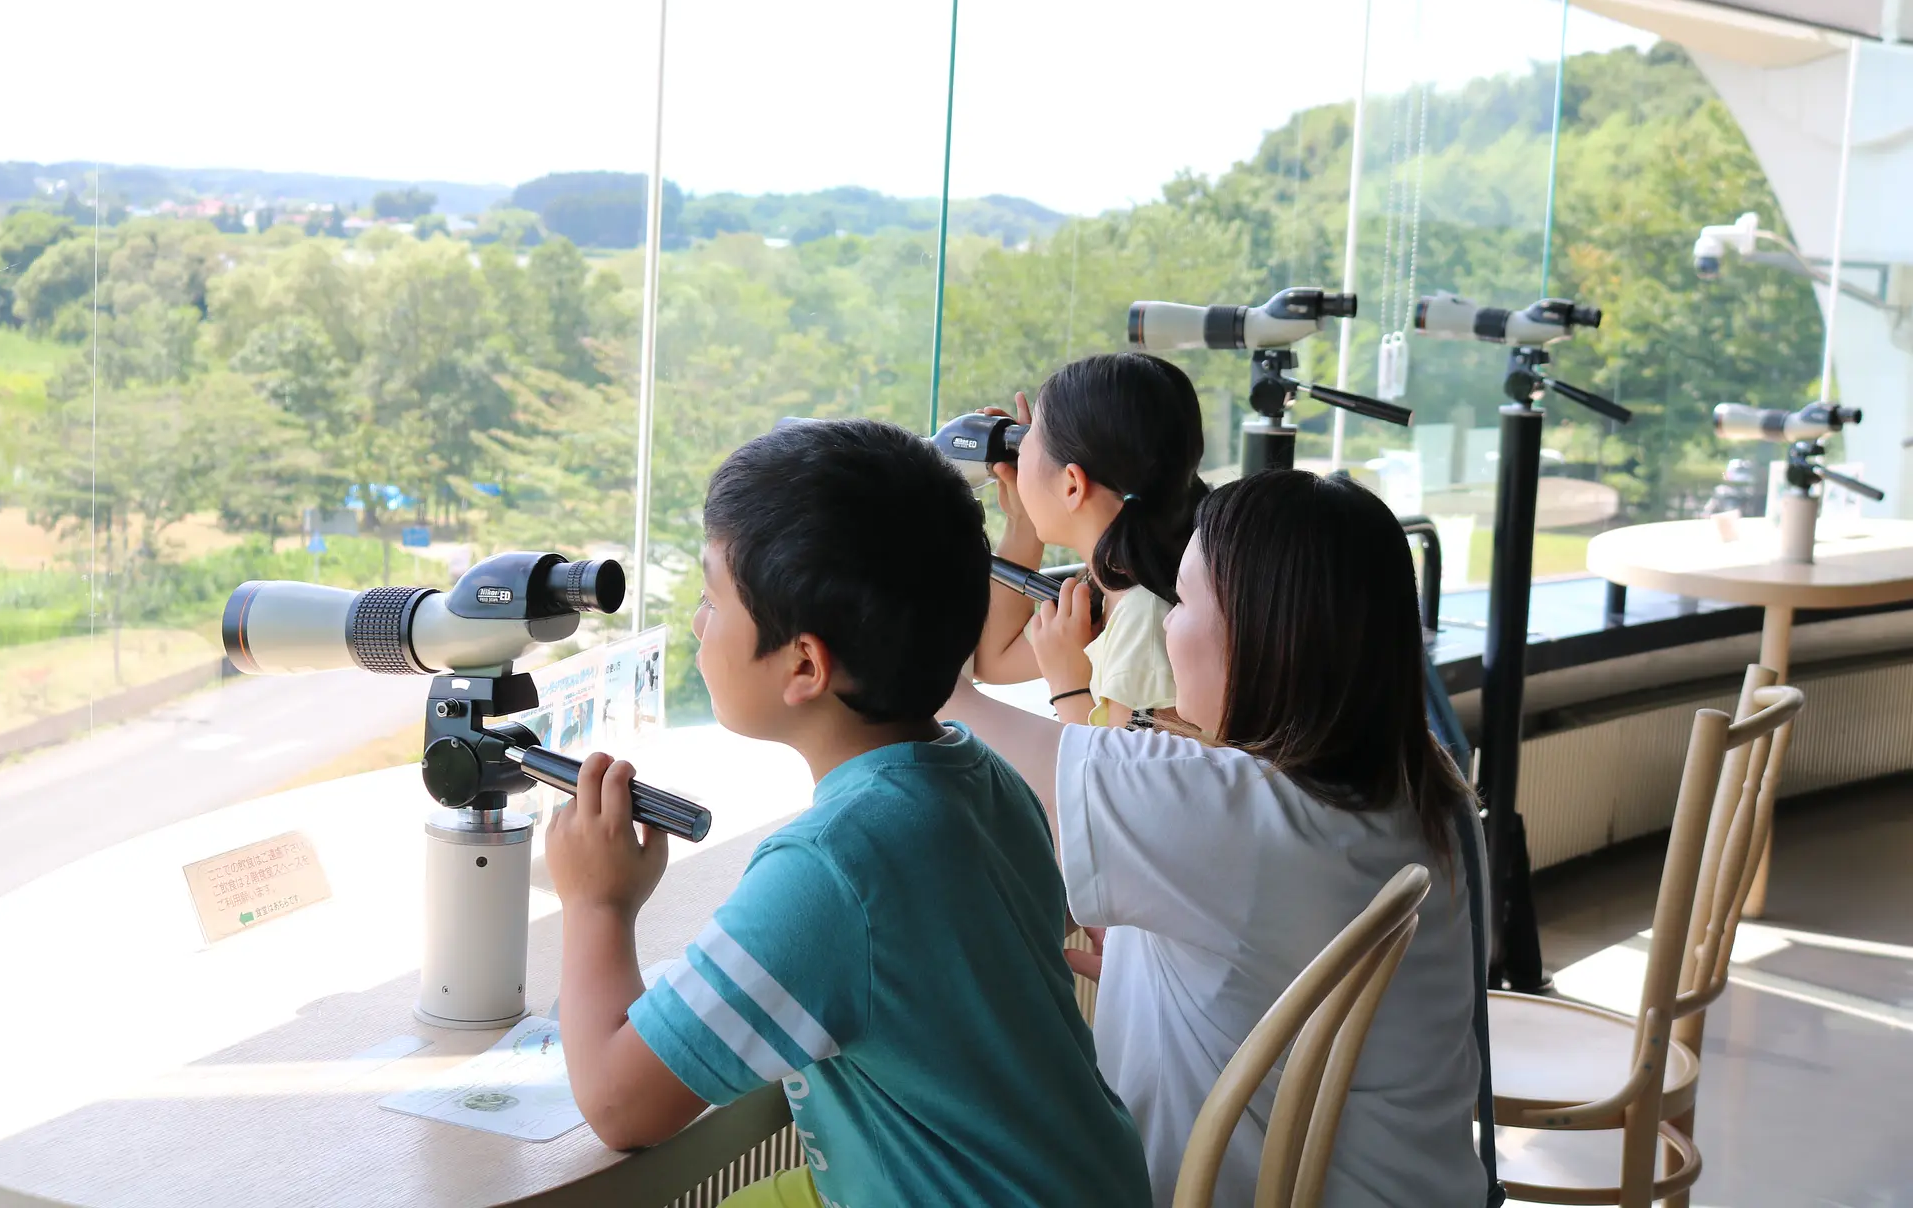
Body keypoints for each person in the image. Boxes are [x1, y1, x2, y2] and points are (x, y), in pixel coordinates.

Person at [544, 418, 1150, 1208]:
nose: (698, 623)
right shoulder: (981, 779)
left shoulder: (834, 866)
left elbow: (621, 1106)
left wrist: (597, 900)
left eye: (711, 597)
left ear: (803, 662)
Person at [947, 467, 1487, 1207]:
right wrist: (1153, 973)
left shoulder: (1231, 805)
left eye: (1186, 598)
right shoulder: (1419, 775)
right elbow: (1266, 941)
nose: (1167, 622)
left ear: (1265, 635)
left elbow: (952, 712)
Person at [970, 352, 1207, 728]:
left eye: (1027, 441)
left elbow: (1116, 780)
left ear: (1072, 485)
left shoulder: (1144, 619)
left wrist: (1068, 684)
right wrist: (1022, 525)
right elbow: (992, 659)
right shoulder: (1108, 584)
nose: (1016, 454)